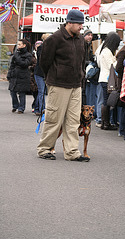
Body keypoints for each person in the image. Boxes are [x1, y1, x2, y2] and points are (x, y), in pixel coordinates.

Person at [37, 10, 90, 162]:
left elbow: (82, 62)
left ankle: (72, 152)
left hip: (76, 85)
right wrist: (53, 78)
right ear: (70, 22)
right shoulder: (54, 39)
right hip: (58, 84)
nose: (81, 27)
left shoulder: (80, 40)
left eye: (82, 24)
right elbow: (44, 63)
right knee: (54, 119)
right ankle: (44, 149)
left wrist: (81, 77)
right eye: (79, 24)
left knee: (73, 121)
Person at [96, 32, 121, 130]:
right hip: (107, 79)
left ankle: (105, 122)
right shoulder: (107, 52)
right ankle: (106, 123)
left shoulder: (104, 50)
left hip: (104, 78)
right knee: (106, 101)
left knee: (106, 100)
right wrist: (118, 61)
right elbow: (112, 66)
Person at [7, 39, 32, 114]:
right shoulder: (16, 54)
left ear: (24, 45)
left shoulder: (28, 55)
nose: (18, 46)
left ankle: (21, 108)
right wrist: (9, 74)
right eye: (17, 44)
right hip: (14, 75)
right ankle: (15, 106)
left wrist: (17, 58)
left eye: (19, 44)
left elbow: (24, 64)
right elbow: (12, 65)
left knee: (21, 93)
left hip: (23, 76)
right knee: (12, 92)